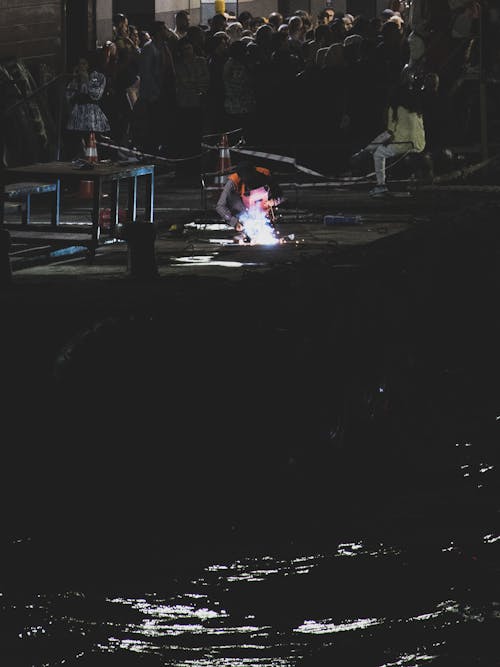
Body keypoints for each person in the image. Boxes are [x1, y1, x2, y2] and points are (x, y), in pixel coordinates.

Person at [366, 82, 426, 196]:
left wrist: (371, 147)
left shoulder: (394, 108)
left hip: (405, 144)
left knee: (378, 153)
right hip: (420, 144)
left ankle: (381, 186)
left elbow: (389, 133)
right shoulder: (416, 108)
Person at [215, 161, 282, 242]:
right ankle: (245, 229)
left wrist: (273, 201)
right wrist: (235, 222)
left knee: (269, 232)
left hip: (265, 213)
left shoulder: (265, 174)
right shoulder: (233, 182)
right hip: (245, 215)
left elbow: (280, 195)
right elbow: (220, 206)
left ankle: (265, 225)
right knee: (235, 203)